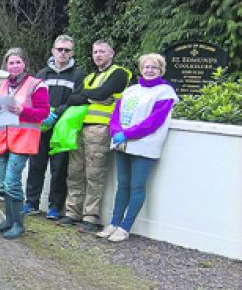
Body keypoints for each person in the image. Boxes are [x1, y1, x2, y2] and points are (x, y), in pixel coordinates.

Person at [97, 53, 177, 243]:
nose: (149, 70)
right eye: (146, 67)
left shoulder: (165, 92)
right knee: (122, 185)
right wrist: (116, 130)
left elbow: (154, 121)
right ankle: (114, 223)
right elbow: (116, 113)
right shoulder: (131, 90)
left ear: (161, 70)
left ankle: (125, 227)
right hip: (123, 144)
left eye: (154, 68)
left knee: (137, 185)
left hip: (144, 145)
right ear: (141, 69)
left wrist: (129, 133)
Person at [57, 39, 131, 232]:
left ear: (111, 53)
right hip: (81, 127)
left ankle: (90, 216)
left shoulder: (119, 73)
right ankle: (72, 212)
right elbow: (73, 98)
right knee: (75, 172)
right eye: (95, 52)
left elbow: (105, 91)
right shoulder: (90, 76)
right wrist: (93, 96)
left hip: (100, 128)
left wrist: (87, 96)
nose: (98, 55)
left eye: (102, 52)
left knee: (94, 173)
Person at [0, 47, 50, 239]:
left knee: (12, 181)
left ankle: (18, 225)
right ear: (6, 65)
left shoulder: (37, 85)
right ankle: (9, 220)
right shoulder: (0, 86)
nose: (14, 66)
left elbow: (43, 113)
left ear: (25, 64)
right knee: (3, 184)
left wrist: (22, 110)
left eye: (18, 62)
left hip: (23, 140)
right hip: (1, 139)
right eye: (11, 63)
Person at [25, 34, 84, 220]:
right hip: (41, 127)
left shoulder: (78, 75)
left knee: (59, 169)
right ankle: (31, 202)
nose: (63, 53)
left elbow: (77, 99)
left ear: (72, 52)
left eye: (67, 50)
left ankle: (55, 206)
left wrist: (57, 113)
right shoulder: (42, 74)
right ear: (53, 51)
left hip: (62, 128)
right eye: (60, 49)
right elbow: (32, 97)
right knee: (36, 165)